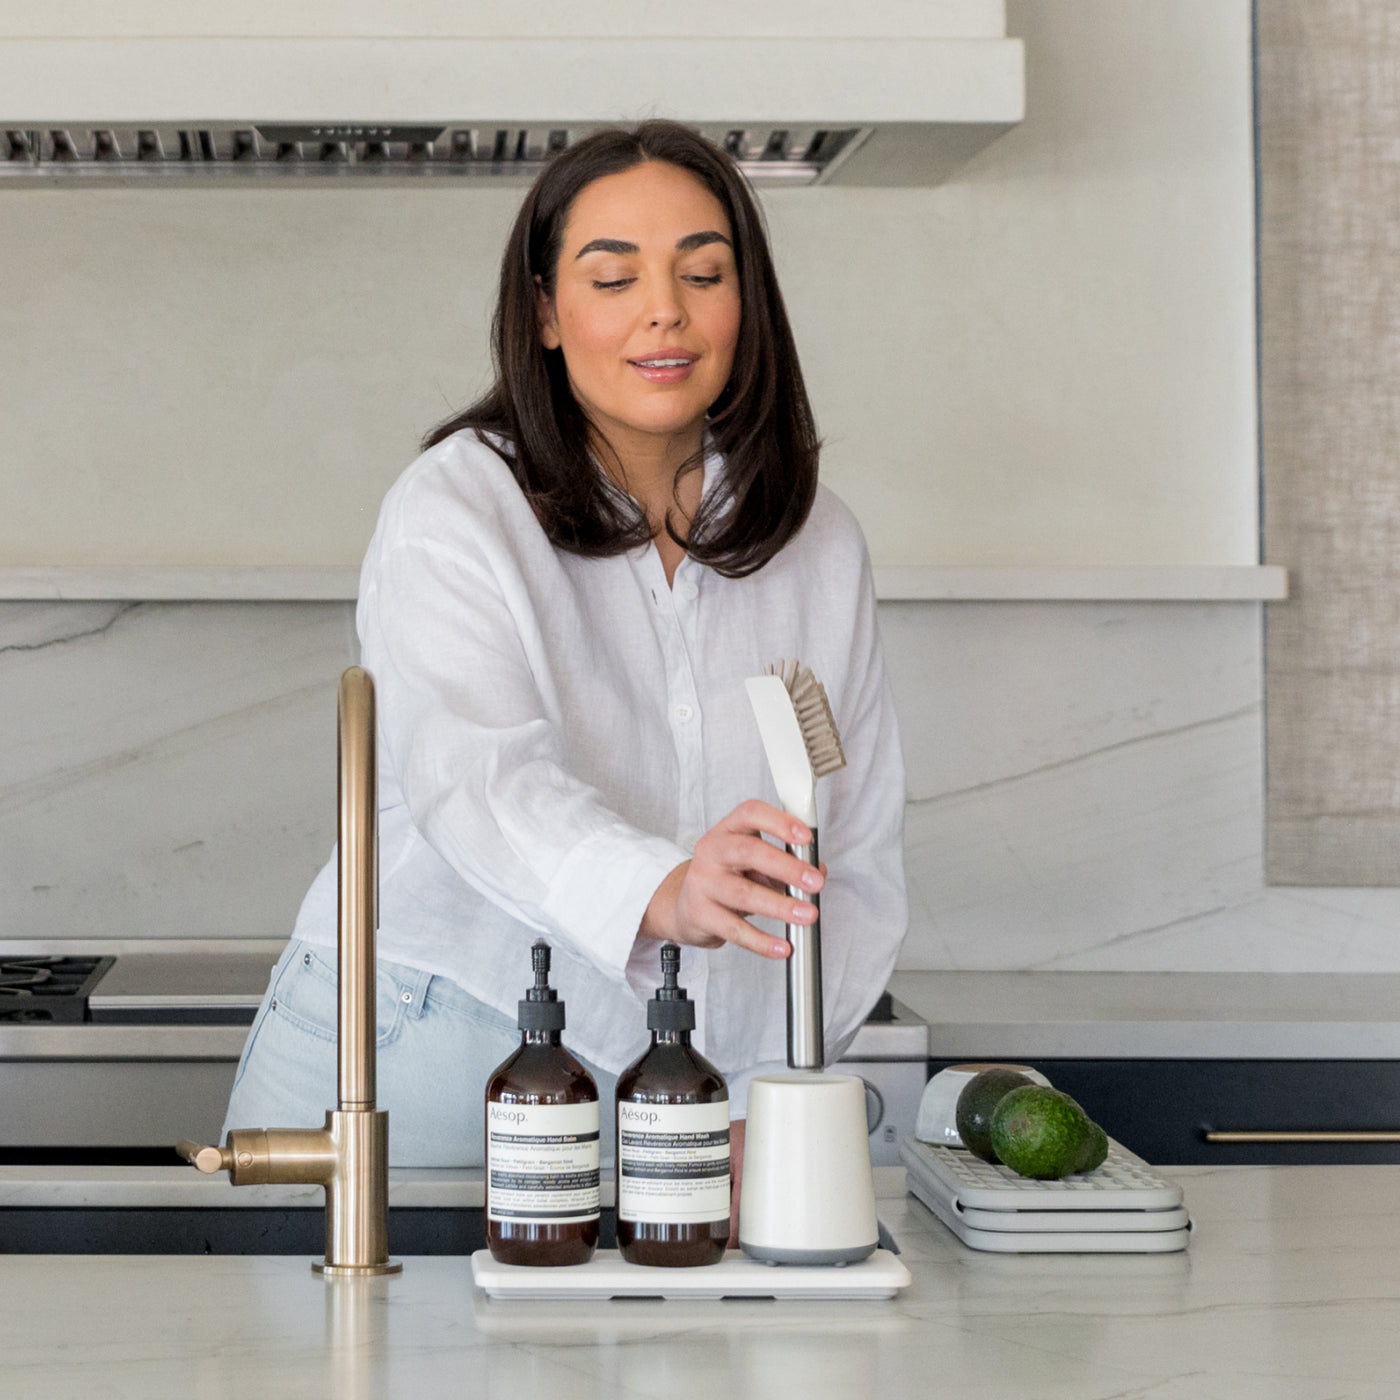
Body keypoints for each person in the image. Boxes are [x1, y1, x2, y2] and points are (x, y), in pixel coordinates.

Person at [224, 120, 907, 1234]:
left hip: (684, 1095)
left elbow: (858, 856)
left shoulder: (817, 544)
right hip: (430, 1041)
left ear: (748, 301)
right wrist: (664, 886)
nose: (664, 312)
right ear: (544, 312)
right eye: (612, 276)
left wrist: (768, 1086)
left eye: (702, 271)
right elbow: (475, 778)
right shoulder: (456, 508)